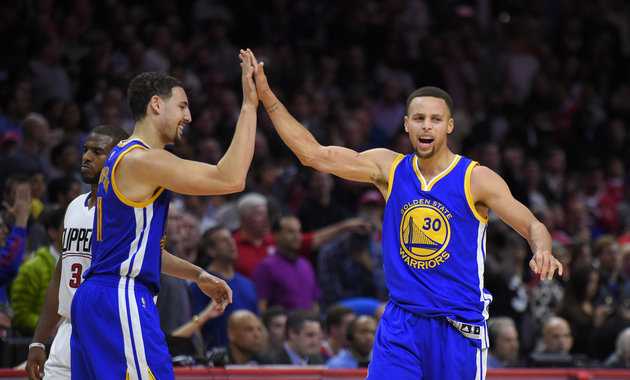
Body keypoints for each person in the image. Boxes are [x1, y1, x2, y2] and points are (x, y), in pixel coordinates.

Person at [247, 49, 563, 379]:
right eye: (419, 118)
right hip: (402, 321)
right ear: (407, 124)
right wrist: (267, 96)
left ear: (449, 126)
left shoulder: (475, 178)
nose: (427, 126)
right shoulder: (390, 168)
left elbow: (531, 223)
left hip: (457, 325)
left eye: (436, 119)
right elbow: (314, 155)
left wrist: (543, 249)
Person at [70, 49, 258, 379]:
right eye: (183, 106)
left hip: (96, 297)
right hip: (121, 297)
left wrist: (197, 275)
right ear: (156, 104)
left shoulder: (122, 159)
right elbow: (231, 178)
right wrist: (250, 105)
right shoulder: (145, 160)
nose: (189, 117)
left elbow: (138, 248)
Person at [25, 124, 130, 380]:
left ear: (119, 158)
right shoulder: (74, 207)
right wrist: (38, 342)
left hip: (108, 332)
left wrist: (197, 274)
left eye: (97, 151)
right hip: (68, 331)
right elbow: (60, 274)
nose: (86, 157)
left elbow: (155, 261)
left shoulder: (129, 212)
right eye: (85, 150)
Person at [190, 224, 259, 349]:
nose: (231, 243)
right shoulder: (201, 283)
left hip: (249, 358)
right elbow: (194, 325)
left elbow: (258, 323)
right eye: (224, 241)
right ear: (211, 250)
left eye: (231, 239)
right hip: (216, 358)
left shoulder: (248, 283)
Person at [11, 206, 65, 337]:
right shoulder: (32, 268)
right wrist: (49, 329)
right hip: (39, 343)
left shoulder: (89, 263)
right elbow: (20, 316)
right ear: (52, 232)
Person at [253, 216, 322, 313]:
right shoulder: (266, 267)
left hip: (308, 324)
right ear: (277, 235)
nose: (297, 236)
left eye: (299, 231)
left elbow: (314, 302)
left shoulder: (306, 265)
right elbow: (261, 306)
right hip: (283, 326)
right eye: (290, 232)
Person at [205, 309, 272, 366]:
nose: (257, 335)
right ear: (231, 334)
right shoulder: (217, 361)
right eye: (249, 329)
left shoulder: (264, 361)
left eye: (259, 329)